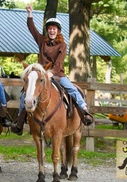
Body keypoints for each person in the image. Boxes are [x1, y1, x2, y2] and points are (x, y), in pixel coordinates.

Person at [10, 4, 93, 135]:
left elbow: (59, 62)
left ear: (58, 31)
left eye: (54, 29)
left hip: (57, 75)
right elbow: (32, 30)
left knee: (72, 89)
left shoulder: (62, 45)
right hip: (41, 77)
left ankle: (84, 111)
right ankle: (19, 121)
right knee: (25, 95)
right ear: (47, 30)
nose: (52, 31)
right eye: (50, 29)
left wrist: (51, 73)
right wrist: (30, 14)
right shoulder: (42, 41)